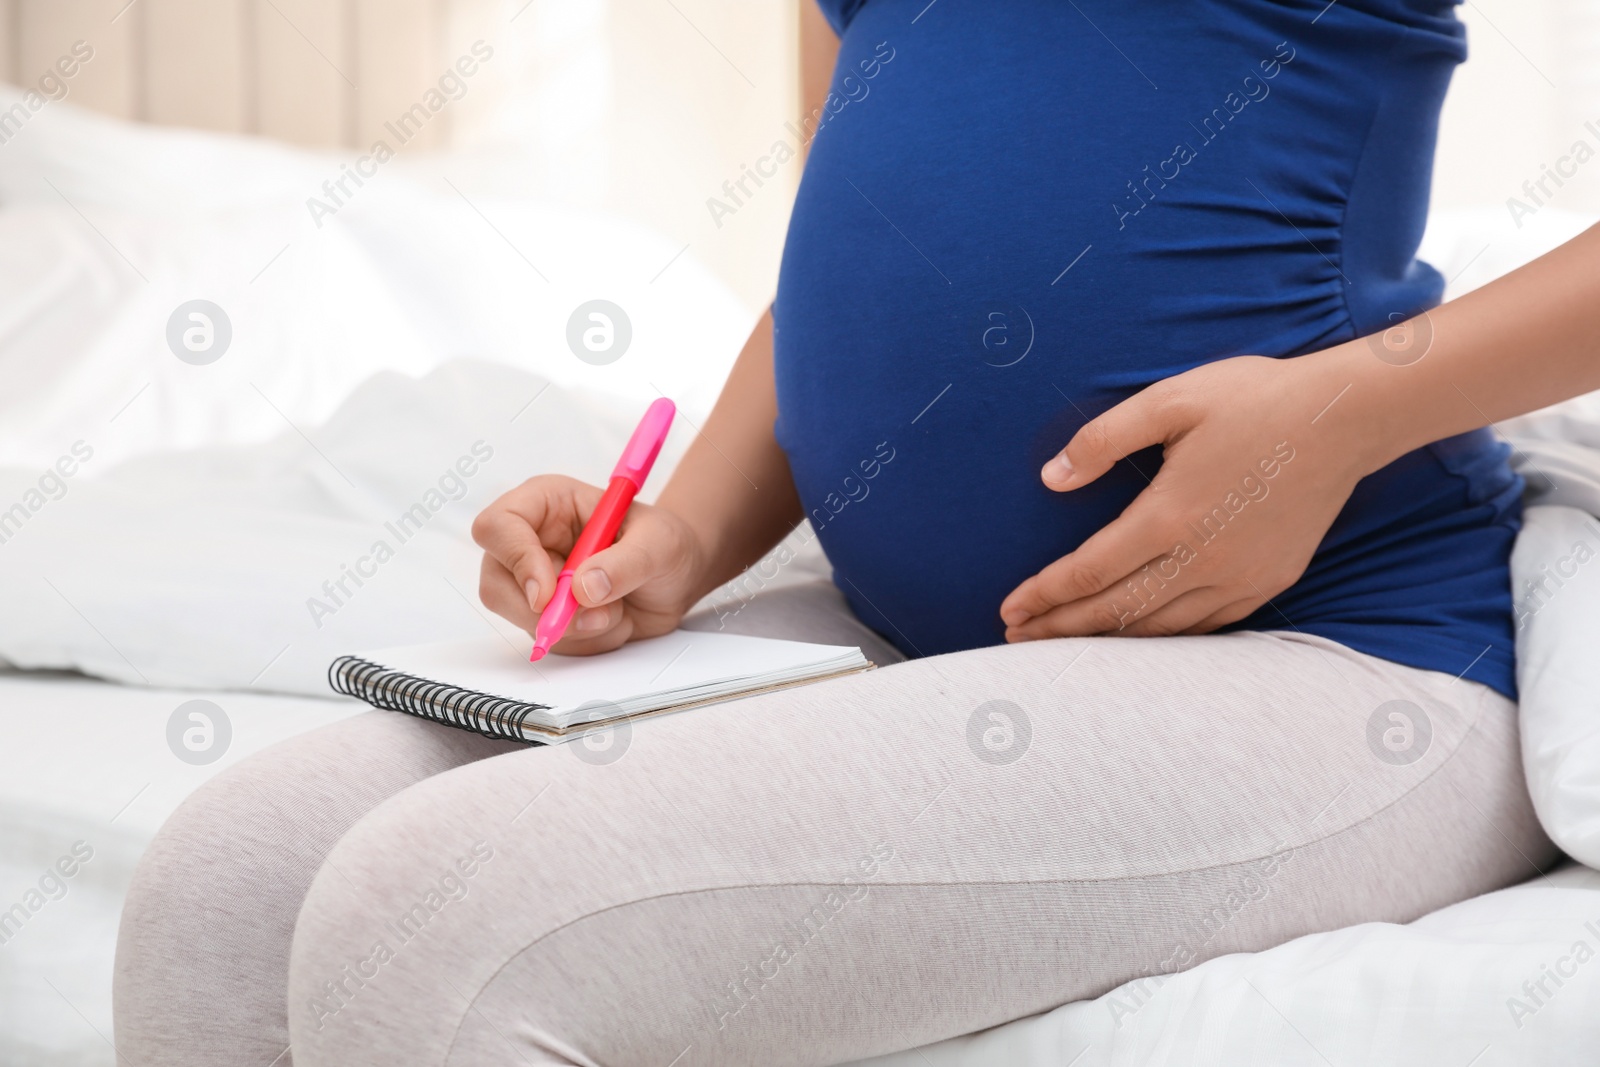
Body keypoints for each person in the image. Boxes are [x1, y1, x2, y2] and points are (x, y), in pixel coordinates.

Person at [116, 1, 1596, 1063]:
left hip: (1340, 641)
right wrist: (685, 534)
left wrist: (1342, 412)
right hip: (904, 623)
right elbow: (861, 230)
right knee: (224, 883)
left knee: (434, 923)